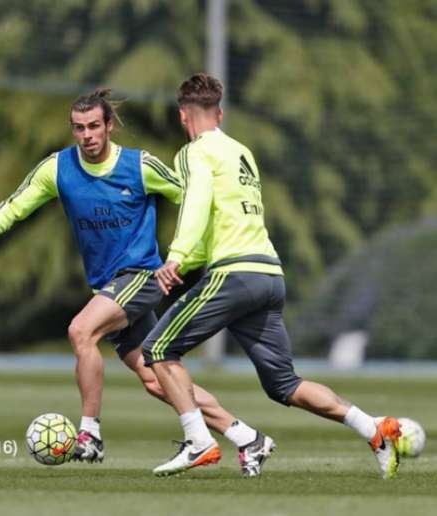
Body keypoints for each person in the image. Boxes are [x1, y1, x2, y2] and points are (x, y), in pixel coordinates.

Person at [0, 89, 275, 477]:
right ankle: (246, 436)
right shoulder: (58, 169)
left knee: (80, 330)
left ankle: (90, 435)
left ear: (109, 126)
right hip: (108, 286)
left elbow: (194, 195)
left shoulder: (140, 165)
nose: (87, 135)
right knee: (155, 378)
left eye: (94, 126)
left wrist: (222, 237)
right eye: (79, 128)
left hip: (142, 276)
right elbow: (17, 202)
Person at [143, 73, 402, 479]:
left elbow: (196, 206)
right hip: (269, 275)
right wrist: (189, 262)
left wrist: (175, 257)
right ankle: (373, 430)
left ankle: (200, 441)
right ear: (221, 113)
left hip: (235, 274)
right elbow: (223, 219)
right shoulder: (241, 151)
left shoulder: (194, 152)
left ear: (182, 117)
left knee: (157, 350)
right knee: (284, 385)